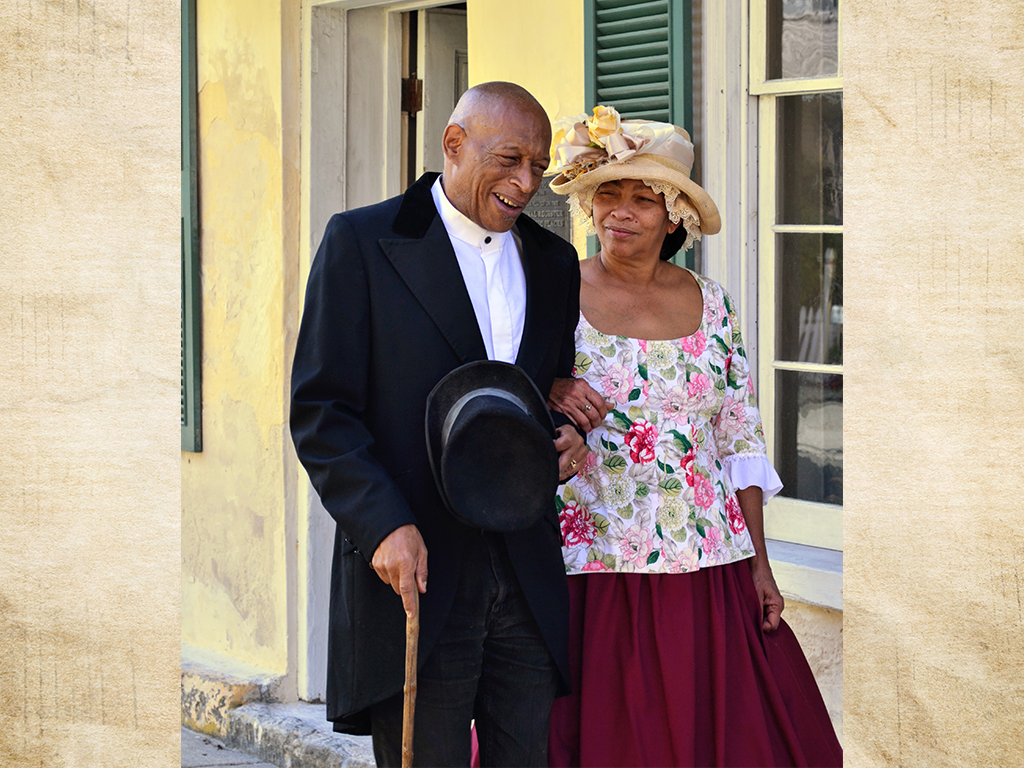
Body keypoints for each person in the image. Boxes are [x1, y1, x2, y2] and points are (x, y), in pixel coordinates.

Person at [289, 82, 589, 768]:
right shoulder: (361, 242)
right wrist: (383, 524)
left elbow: (537, 397)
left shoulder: (553, 261)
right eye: (510, 159)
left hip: (526, 570)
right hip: (417, 567)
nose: (526, 182)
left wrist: (566, 440)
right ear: (453, 144)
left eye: (539, 166)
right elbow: (322, 408)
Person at [542, 107, 843, 767]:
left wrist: (761, 563)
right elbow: (506, 395)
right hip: (593, 560)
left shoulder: (716, 305)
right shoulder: (554, 295)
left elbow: (739, 443)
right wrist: (547, 393)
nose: (620, 211)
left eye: (642, 198)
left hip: (707, 561)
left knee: (720, 737)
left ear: (673, 214)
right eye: (607, 195)